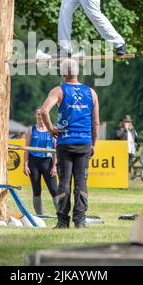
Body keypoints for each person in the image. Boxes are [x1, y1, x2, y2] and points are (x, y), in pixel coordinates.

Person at [41, 58, 99, 228]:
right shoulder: (91, 92)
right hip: (84, 142)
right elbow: (96, 123)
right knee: (81, 181)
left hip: (65, 142)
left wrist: (51, 129)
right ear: (77, 72)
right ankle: (80, 220)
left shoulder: (58, 90)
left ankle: (62, 222)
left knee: (64, 181)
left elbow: (44, 111)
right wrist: (93, 144)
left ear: (63, 73)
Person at [23, 107, 58, 216]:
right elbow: (26, 148)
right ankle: (40, 215)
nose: (40, 117)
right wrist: (25, 164)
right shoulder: (31, 130)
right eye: (38, 114)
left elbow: (55, 151)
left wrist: (55, 166)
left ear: (46, 115)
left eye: (42, 114)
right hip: (34, 163)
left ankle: (61, 214)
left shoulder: (52, 130)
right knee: (36, 190)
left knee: (54, 190)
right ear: (36, 116)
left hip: (48, 162)